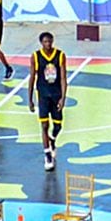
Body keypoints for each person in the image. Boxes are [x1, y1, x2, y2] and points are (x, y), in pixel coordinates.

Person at [28, 32, 68, 172]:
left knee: (58, 126)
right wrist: (30, 99)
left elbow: (63, 78)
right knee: (44, 125)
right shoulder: (35, 56)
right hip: (43, 95)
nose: (48, 44)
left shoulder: (60, 55)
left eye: (50, 41)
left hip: (56, 94)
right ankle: (47, 155)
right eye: (45, 42)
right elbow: (32, 77)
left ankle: (52, 139)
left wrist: (63, 97)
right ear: (41, 42)